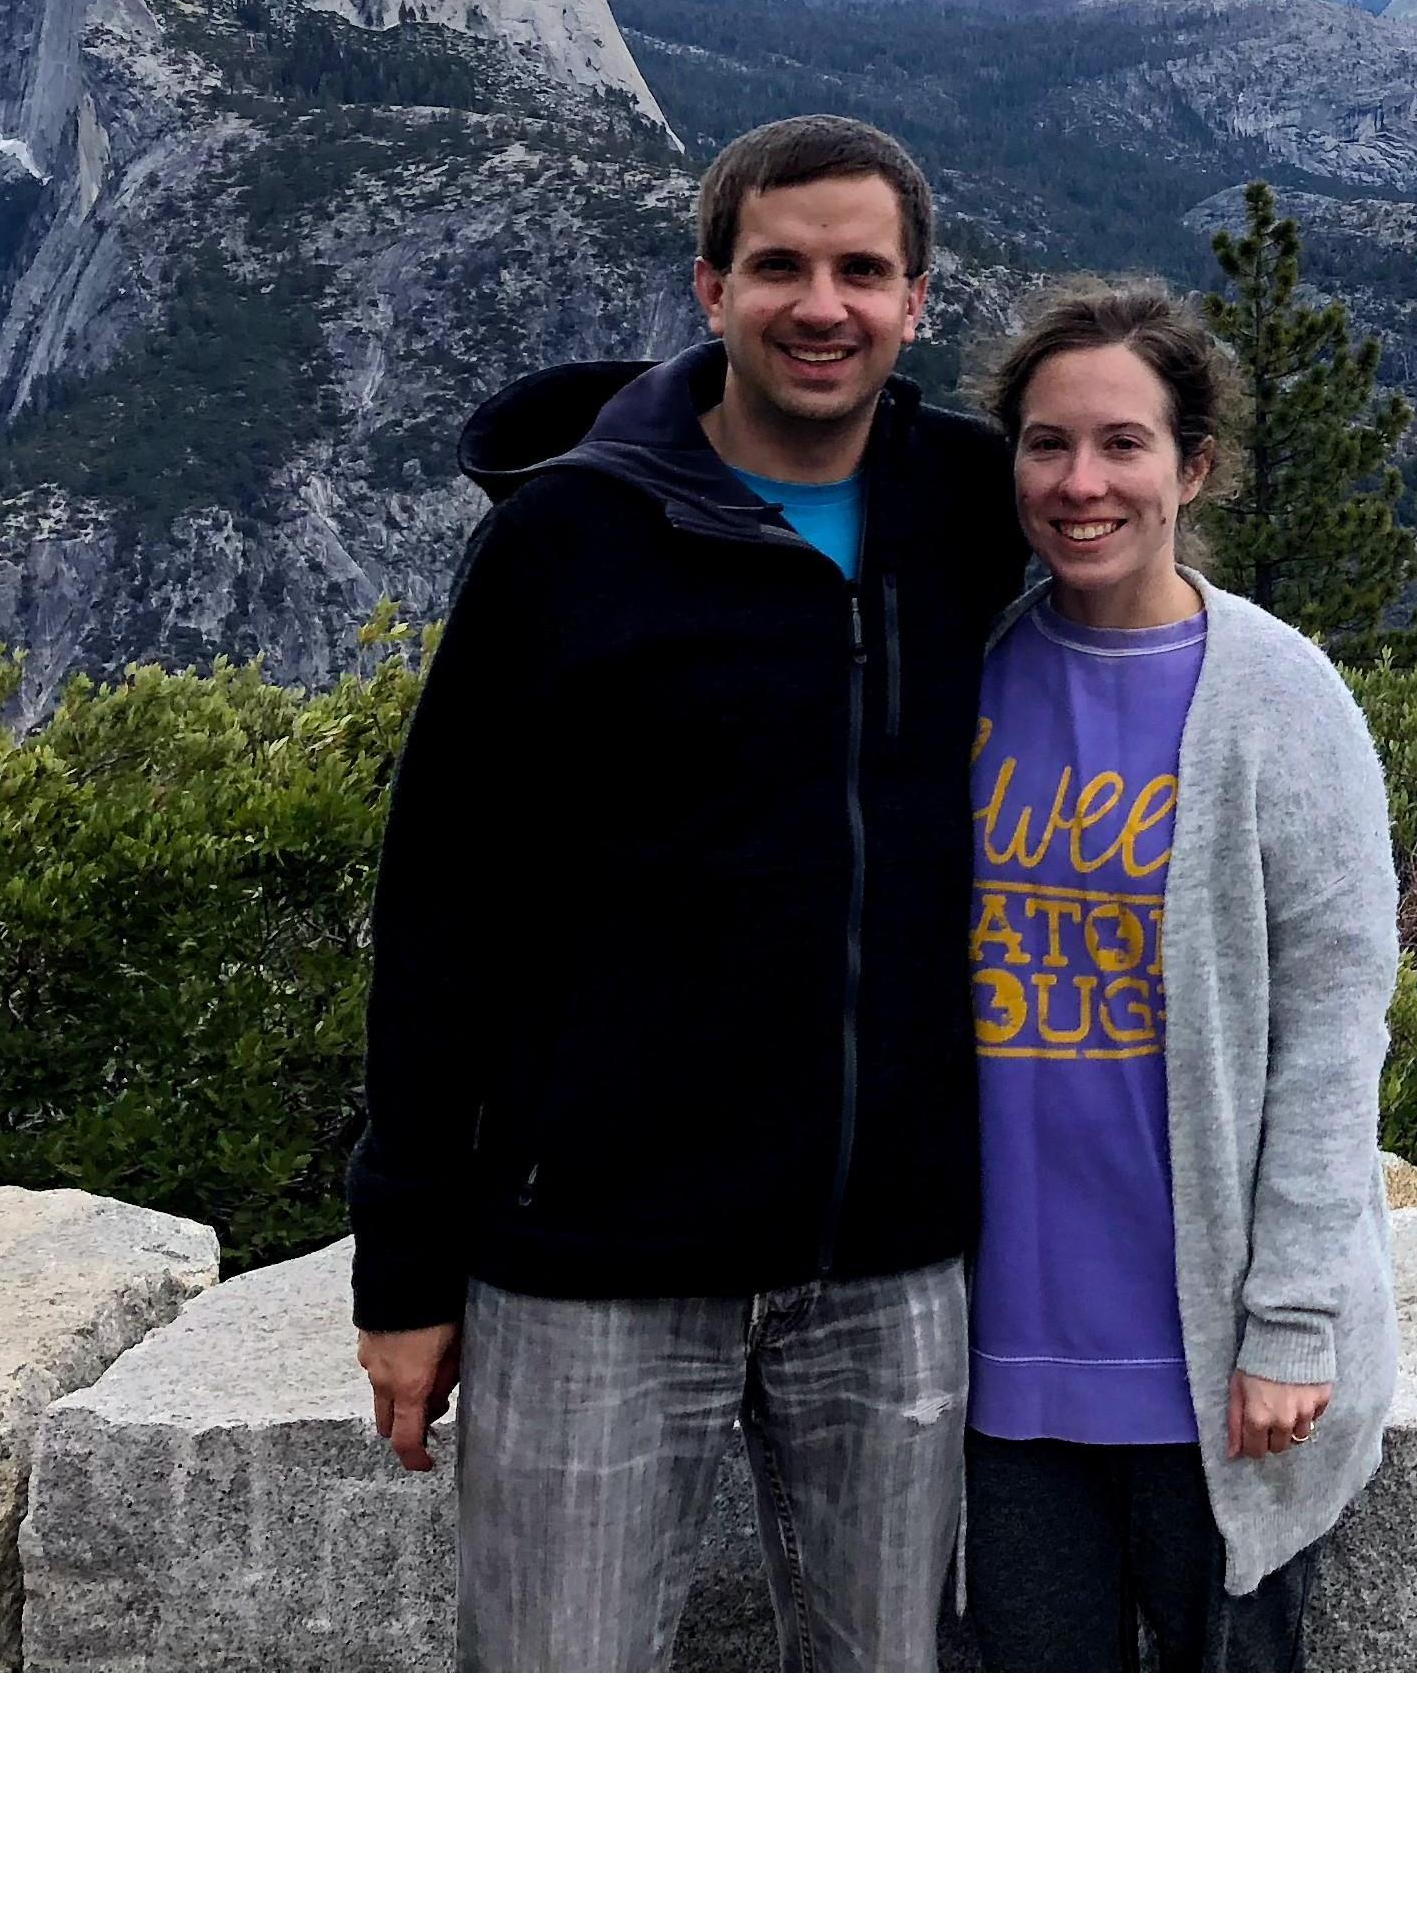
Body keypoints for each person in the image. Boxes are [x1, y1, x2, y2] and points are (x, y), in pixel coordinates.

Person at [347, 113, 1011, 1670]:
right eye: (779, 267)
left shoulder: (971, 508)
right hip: (596, 1264)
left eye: (863, 272)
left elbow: (1152, 627)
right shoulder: (566, 540)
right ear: (711, 289)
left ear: (919, 301)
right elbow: (443, 907)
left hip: (889, 1259)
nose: (821, 306)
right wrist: (405, 1269)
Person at [959, 274, 1402, 1670]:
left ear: (1191, 468)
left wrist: (1293, 1324)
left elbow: (1332, 1033)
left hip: (1211, 1368)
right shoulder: (968, 674)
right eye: (1047, 444)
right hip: (999, 1363)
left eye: (1123, 444)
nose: (1081, 483)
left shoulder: (1279, 697)